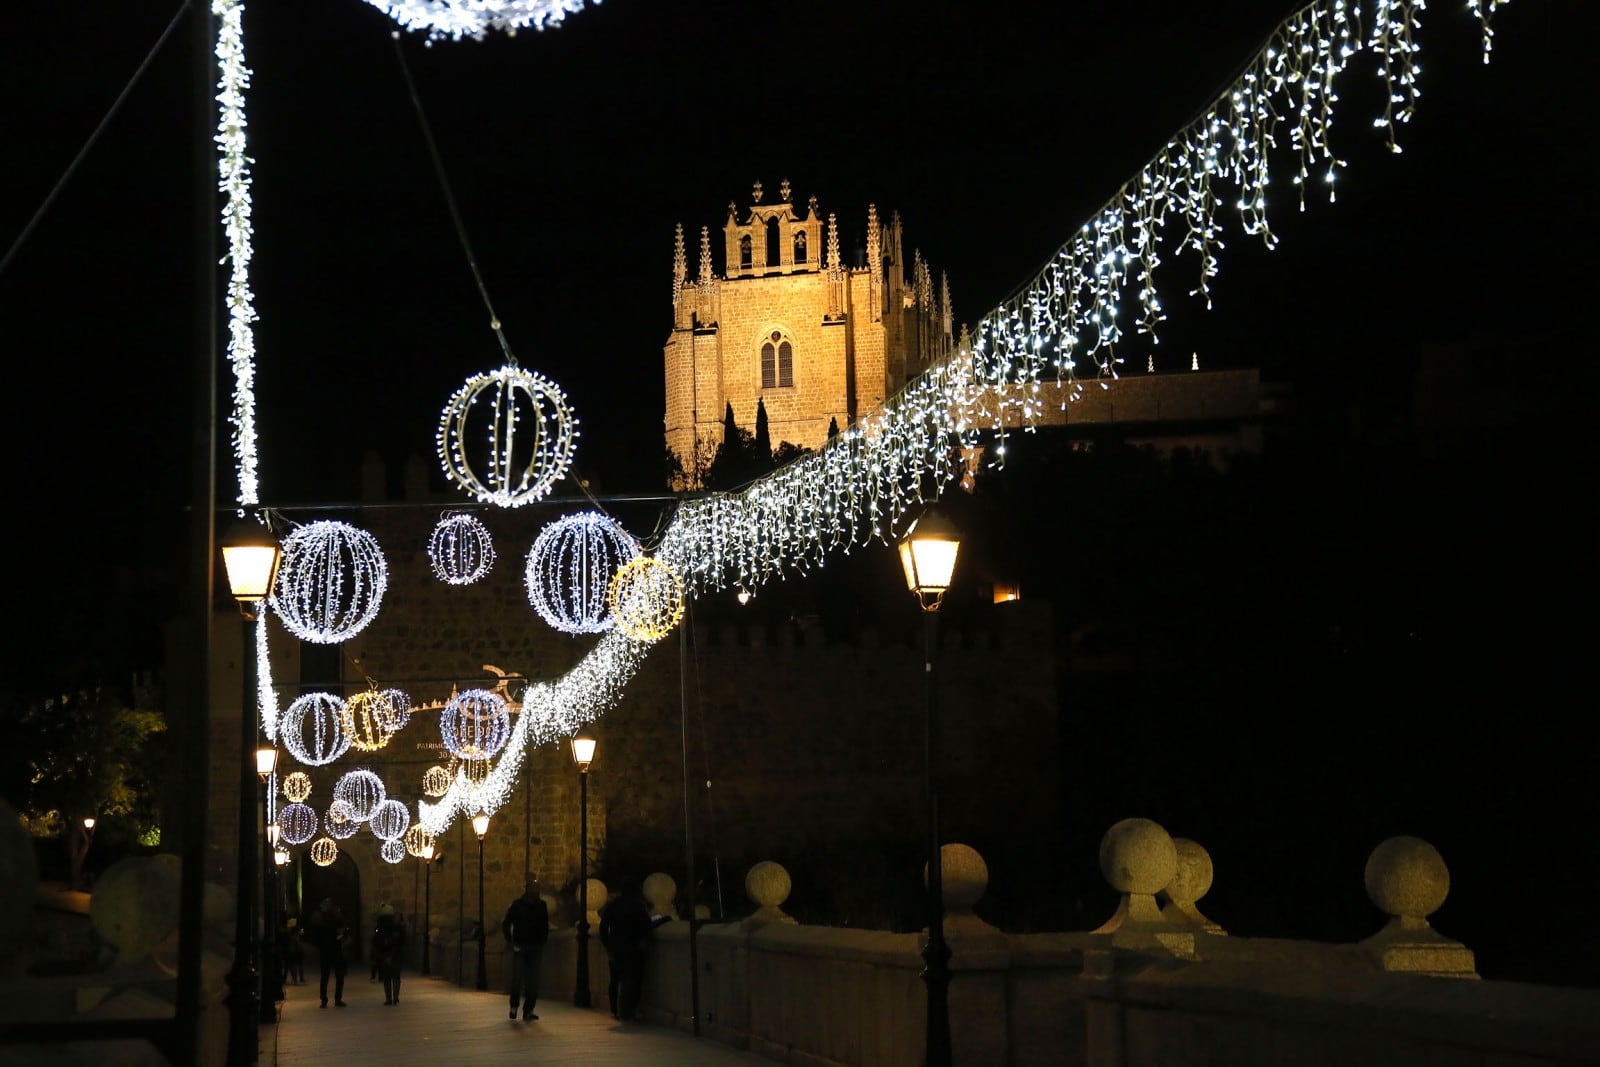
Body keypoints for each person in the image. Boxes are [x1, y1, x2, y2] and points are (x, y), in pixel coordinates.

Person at [598, 877, 656, 1022]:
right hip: (633, 948)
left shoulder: (613, 906)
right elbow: (646, 926)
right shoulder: (638, 906)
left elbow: (603, 927)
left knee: (616, 979)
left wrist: (608, 945)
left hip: (617, 947)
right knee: (632, 980)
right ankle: (627, 1011)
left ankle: (616, 1009)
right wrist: (643, 941)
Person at [501, 874, 550, 1022]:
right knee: (517, 979)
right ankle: (514, 1006)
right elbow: (506, 923)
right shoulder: (517, 905)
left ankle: (529, 1009)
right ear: (527, 889)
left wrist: (542, 941)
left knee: (533, 981)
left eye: (537, 888)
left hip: (535, 947)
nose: (535, 890)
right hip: (520, 946)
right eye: (533, 888)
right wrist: (510, 940)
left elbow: (544, 925)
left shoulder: (542, 906)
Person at [307, 896, 351, 1008]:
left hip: (327, 950)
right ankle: (335, 999)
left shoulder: (323, 920)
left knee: (326, 976)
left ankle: (325, 1000)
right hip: (333, 949)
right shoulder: (334, 918)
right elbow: (342, 931)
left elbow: (316, 935)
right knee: (336, 976)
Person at [371, 904, 406, 1005]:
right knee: (393, 976)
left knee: (389, 976)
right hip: (391, 954)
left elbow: (378, 941)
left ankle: (390, 998)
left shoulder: (386, 927)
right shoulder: (395, 928)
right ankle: (393, 997)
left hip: (389, 954)